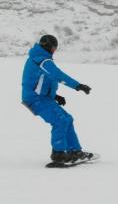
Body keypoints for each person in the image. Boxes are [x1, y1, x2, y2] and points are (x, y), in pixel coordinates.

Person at [21, 35, 93, 163]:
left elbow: (43, 81)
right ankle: (58, 154)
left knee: (67, 119)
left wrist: (55, 96)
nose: (54, 51)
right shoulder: (42, 60)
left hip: (42, 97)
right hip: (35, 99)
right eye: (54, 48)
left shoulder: (40, 59)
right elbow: (57, 75)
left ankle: (74, 150)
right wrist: (78, 86)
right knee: (60, 120)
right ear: (48, 47)